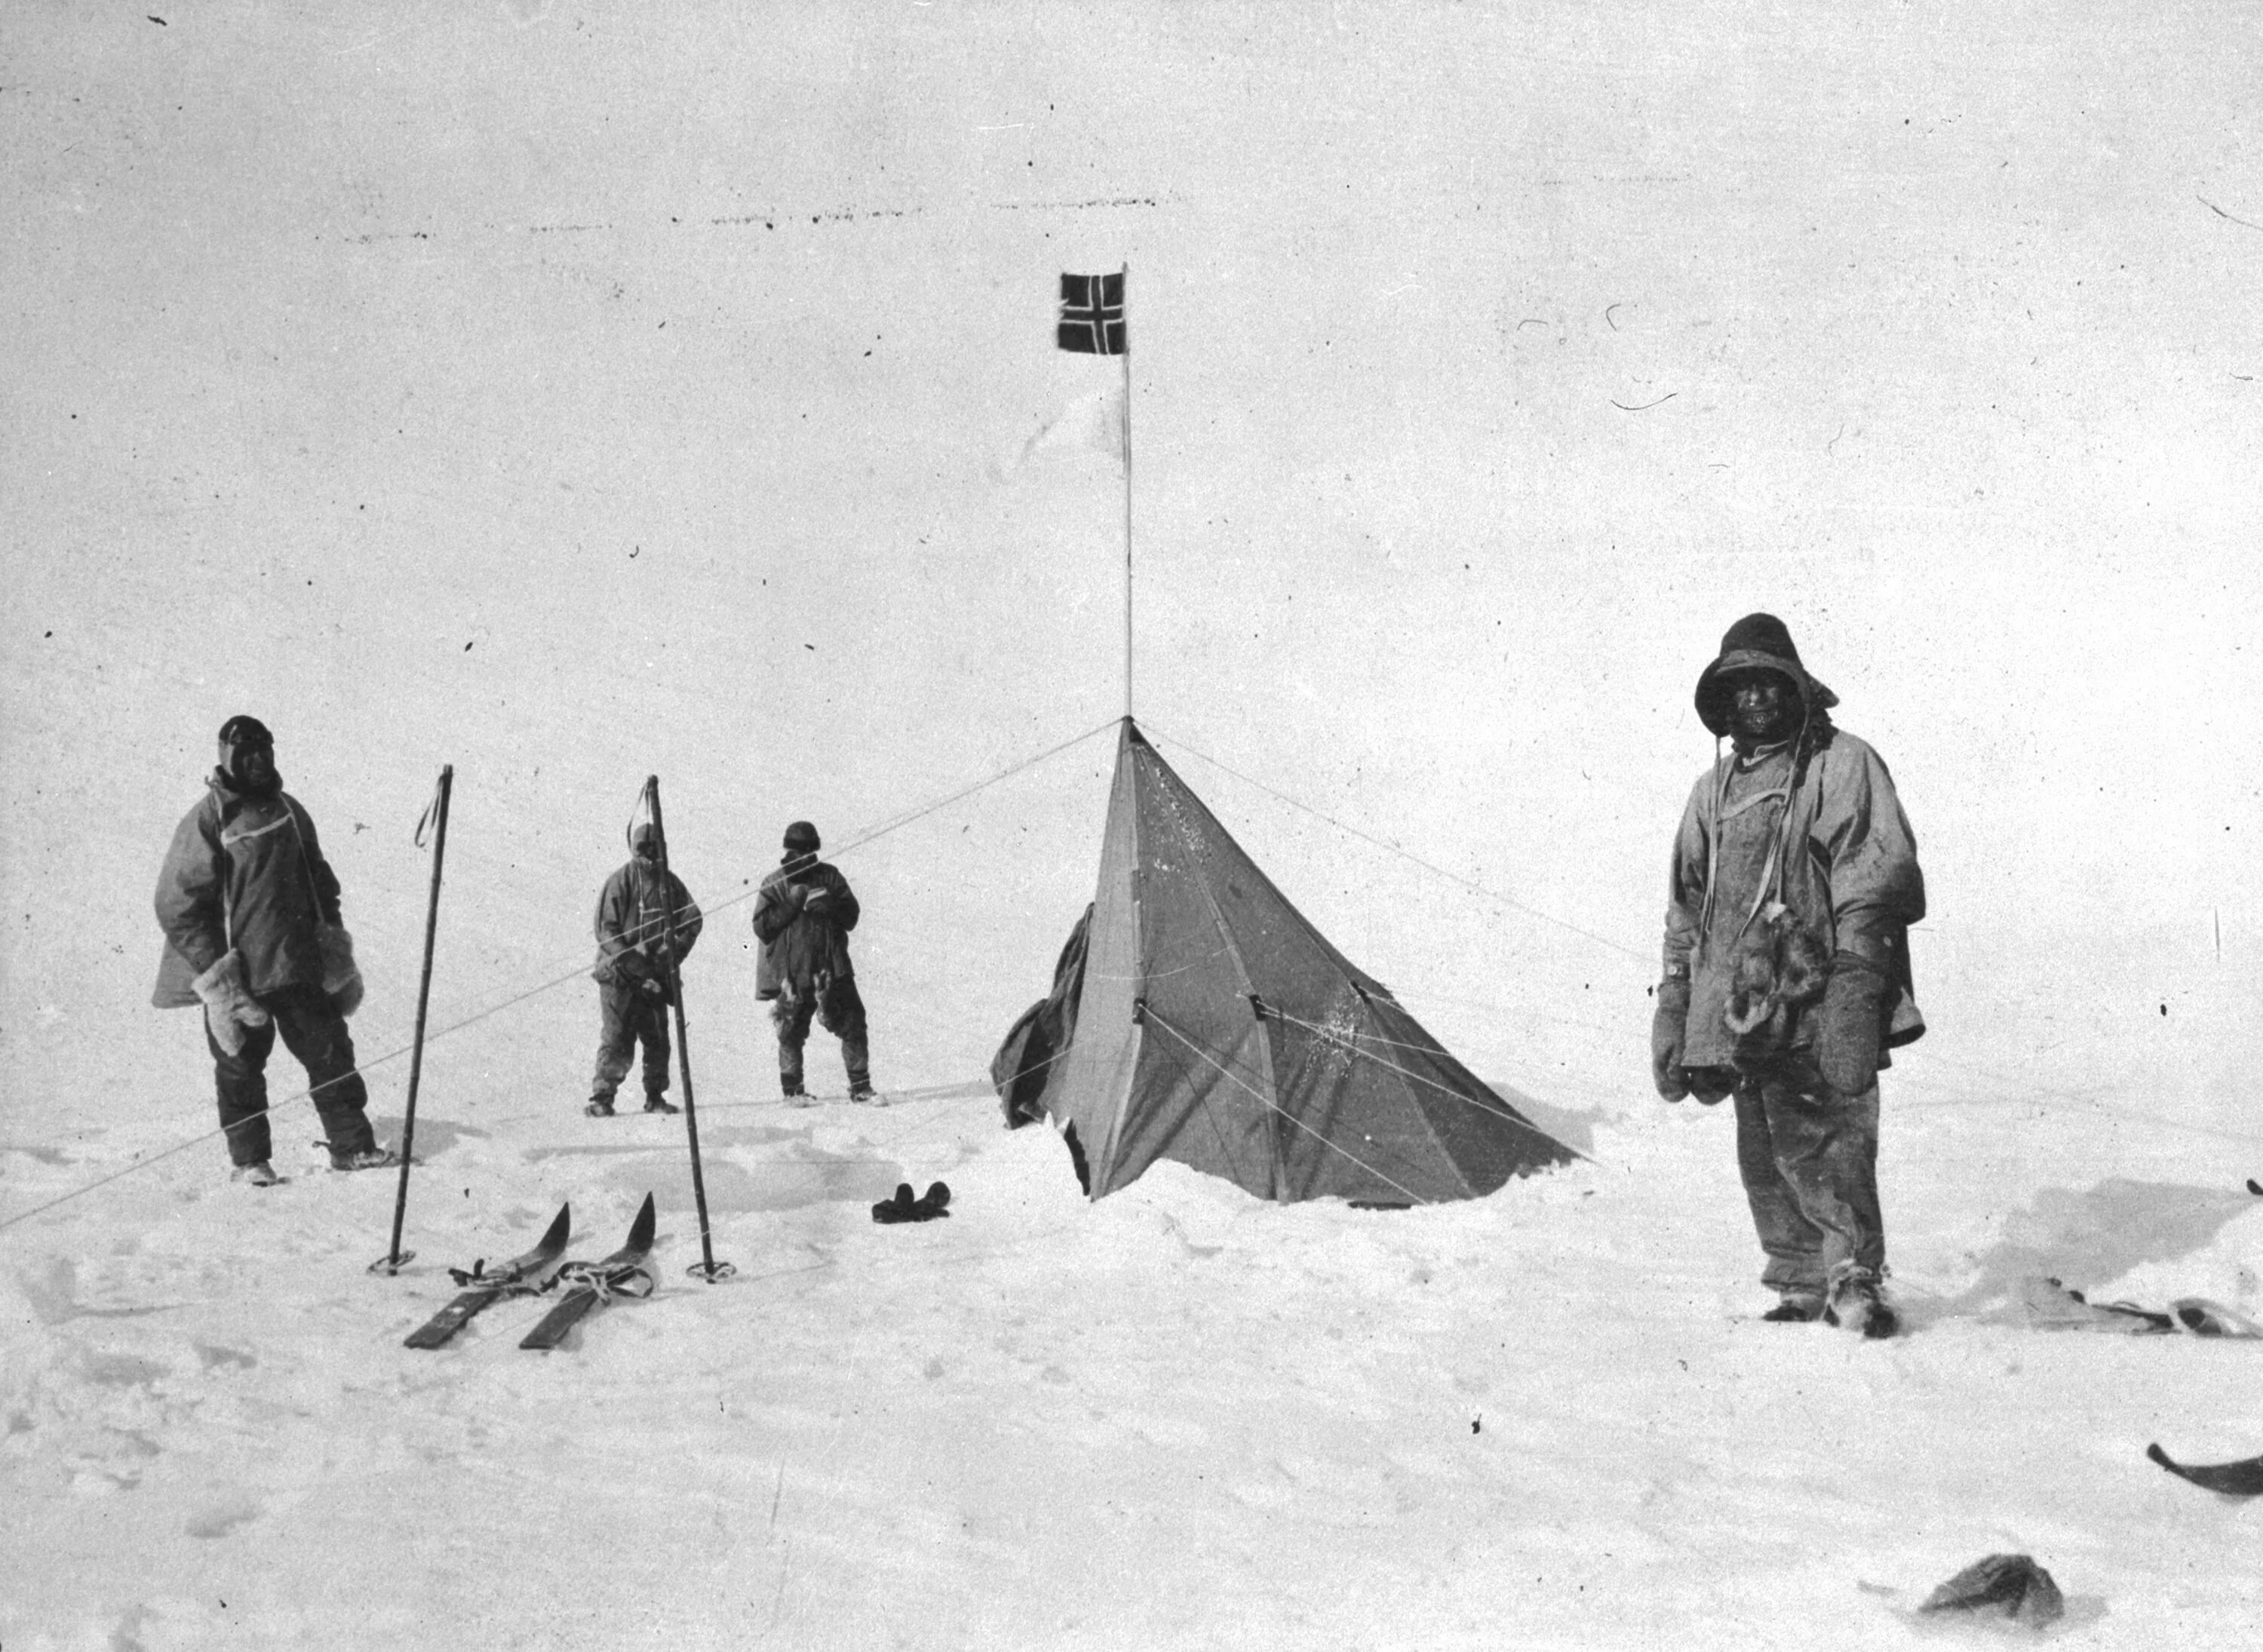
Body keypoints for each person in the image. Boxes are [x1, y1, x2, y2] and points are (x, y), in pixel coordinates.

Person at [1650, 615, 1926, 1337]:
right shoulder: (1711, 791)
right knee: (1764, 1150)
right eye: (1739, 689)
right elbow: (1687, 903)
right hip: (1738, 1007)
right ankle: (1798, 1278)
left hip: (1818, 994)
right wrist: (1676, 999)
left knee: (1833, 1139)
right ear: (1724, 703)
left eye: (1768, 683)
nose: (1756, 701)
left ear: (1796, 686)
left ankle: (1853, 1277)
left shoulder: (1842, 763)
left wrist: (1858, 986)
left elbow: (1875, 873)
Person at [152, 715, 392, 1184]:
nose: (259, 761)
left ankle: (353, 1148)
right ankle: (251, 1163)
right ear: (228, 758)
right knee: (240, 1069)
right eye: (247, 753)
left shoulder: (288, 808)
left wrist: (334, 949)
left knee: (331, 1055)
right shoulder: (208, 819)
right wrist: (215, 972)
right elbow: (176, 903)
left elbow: (321, 881)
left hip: (296, 965)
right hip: (239, 976)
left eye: (265, 750)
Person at [753, 820, 876, 1104]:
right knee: (790, 1031)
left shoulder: (830, 877)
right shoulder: (774, 883)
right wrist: (792, 905)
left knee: (854, 1023)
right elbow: (762, 928)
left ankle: (861, 1087)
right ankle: (793, 1092)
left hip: (833, 968)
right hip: (793, 973)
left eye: (811, 851)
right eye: (800, 851)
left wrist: (831, 906)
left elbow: (852, 916)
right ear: (789, 852)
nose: (806, 857)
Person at [586, 821, 702, 1116]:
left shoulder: (670, 884)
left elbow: (693, 918)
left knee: (657, 1038)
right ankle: (602, 1097)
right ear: (635, 849)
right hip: (620, 975)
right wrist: (630, 958)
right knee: (617, 1038)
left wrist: (670, 953)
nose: (650, 854)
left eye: (656, 848)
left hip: (654, 975)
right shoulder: (620, 881)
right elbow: (606, 928)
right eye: (644, 848)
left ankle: (655, 1095)